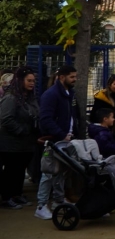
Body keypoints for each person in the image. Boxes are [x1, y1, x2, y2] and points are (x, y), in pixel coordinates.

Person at [35, 65, 84, 220]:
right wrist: (61, 134)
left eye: (75, 76)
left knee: (61, 173)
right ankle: (41, 206)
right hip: (54, 141)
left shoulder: (69, 93)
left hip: (65, 140)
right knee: (48, 172)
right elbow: (45, 119)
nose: (75, 79)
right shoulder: (51, 95)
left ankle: (58, 201)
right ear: (62, 77)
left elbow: (72, 115)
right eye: (72, 77)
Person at [0, 67, 39, 209]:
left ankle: (17, 194)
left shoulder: (29, 98)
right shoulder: (11, 98)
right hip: (12, 143)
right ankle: (7, 197)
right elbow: (6, 119)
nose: (32, 83)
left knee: (20, 170)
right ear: (20, 80)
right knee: (11, 171)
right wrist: (22, 130)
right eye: (29, 80)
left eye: (33, 81)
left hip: (26, 143)